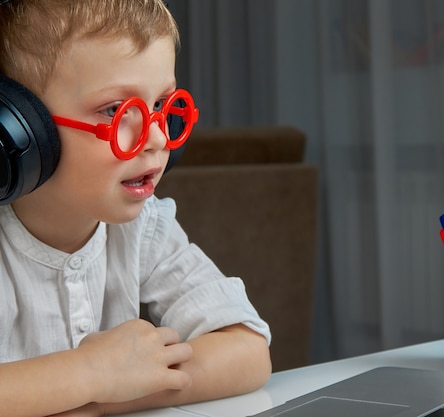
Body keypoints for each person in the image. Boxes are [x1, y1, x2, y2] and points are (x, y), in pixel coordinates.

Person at [0, 1, 272, 416]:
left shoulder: (146, 228)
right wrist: (91, 373)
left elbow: (248, 351)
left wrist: (109, 394)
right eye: (115, 110)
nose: (159, 138)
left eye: (162, 106)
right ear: (20, 129)